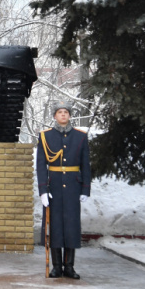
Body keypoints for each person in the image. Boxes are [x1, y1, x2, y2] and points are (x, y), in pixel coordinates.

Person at [36, 101, 90, 279]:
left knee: (71, 227)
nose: (63, 115)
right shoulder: (45, 137)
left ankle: (69, 267)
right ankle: (57, 267)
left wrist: (85, 189)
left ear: (69, 115)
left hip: (73, 187)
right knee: (55, 227)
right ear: (54, 116)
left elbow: (85, 165)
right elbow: (41, 165)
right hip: (54, 188)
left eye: (66, 112)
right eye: (59, 112)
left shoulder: (80, 137)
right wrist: (43, 190)